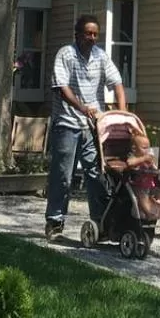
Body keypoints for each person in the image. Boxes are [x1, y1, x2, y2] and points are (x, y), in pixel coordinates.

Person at [44, 14, 127, 242]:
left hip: (92, 126)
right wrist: (82, 108)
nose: (91, 38)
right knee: (63, 175)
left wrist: (123, 115)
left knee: (96, 173)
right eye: (87, 33)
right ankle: (55, 222)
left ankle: (100, 223)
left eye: (94, 34)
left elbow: (117, 84)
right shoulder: (66, 54)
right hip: (67, 124)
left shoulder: (100, 57)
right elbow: (61, 88)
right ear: (77, 34)